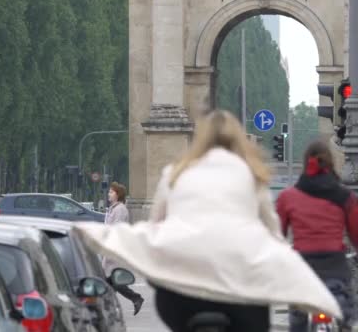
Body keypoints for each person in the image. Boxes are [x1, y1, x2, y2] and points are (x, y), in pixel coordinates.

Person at [73, 110, 341, 332]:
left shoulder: (174, 173)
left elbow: (157, 226)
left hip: (180, 300)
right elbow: (273, 233)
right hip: (239, 294)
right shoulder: (250, 175)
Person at [277, 140, 357, 331]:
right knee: (346, 317)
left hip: (302, 272)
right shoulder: (346, 197)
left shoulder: (288, 197)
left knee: (297, 322)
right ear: (330, 163)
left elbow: (277, 236)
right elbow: (356, 234)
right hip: (336, 270)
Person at [103, 182, 144, 315]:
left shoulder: (120, 209)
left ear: (118, 194)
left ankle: (109, 307)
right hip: (110, 248)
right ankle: (109, 307)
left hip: (115, 250)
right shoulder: (113, 208)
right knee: (111, 281)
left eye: (111, 192)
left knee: (111, 280)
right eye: (109, 191)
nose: (109, 194)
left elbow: (115, 229)